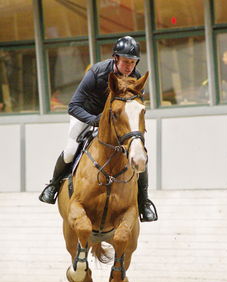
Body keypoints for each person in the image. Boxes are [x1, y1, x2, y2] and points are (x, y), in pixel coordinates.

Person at [39, 36, 157, 222]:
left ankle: (144, 202)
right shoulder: (97, 72)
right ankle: (53, 186)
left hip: (116, 120)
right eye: (126, 61)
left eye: (133, 62)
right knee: (70, 151)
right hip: (87, 115)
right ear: (115, 58)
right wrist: (94, 120)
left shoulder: (136, 79)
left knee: (139, 155)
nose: (129, 66)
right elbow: (74, 105)